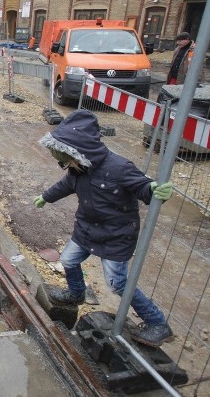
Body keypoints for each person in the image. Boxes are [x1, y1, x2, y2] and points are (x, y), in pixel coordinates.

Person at [33, 109, 175, 347]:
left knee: (117, 283)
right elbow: (64, 185)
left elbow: (142, 187)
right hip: (86, 229)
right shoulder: (77, 170)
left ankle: (158, 323)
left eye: (66, 159)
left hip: (116, 236)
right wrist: (46, 197)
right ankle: (76, 294)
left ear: (79, 151)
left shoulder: (119, 167)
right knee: (68, 260)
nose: (65, 165)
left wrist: (153, 190)